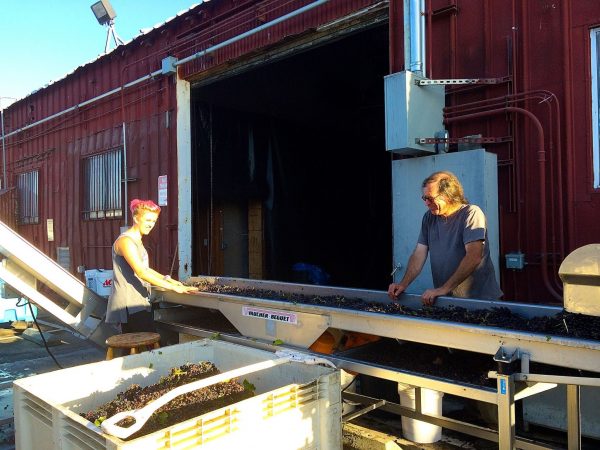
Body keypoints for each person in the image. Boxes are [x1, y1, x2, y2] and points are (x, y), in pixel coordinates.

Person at [388, 171, 502, 306]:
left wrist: (443, 289)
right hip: (447, 301)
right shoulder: (429, 218)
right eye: (424, 198)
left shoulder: (471, 213)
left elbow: (474, 256)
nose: (426, 203)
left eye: (430, 198)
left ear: (449, 195)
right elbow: (419, 254)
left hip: (480, 301)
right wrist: (403, 284)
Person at [105, 199, 197, 333]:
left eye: (154, 221)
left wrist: (171, 281)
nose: (151, 224)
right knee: (145, 344)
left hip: (138, 300)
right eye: (148, 220)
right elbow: (142, 272)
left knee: (139, 348)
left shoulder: (137, 240)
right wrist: (173, 288)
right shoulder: (126, 241)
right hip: (128, 304)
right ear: (136, 218)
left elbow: (147, 269)